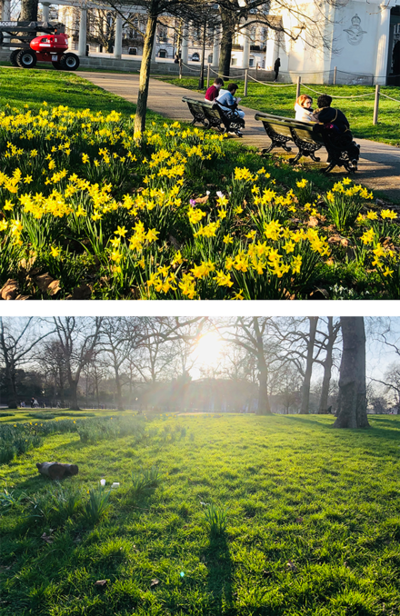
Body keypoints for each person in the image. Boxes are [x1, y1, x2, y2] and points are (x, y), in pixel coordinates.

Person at [311, 94, 360, 169]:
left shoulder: (315, 115)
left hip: (326, 139)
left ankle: (332, 158)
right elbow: (346, 125)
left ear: (318, 103)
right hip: (338, 139)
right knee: (352, 145)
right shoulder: (336, 112)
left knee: (334, 140)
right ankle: (353, 158)